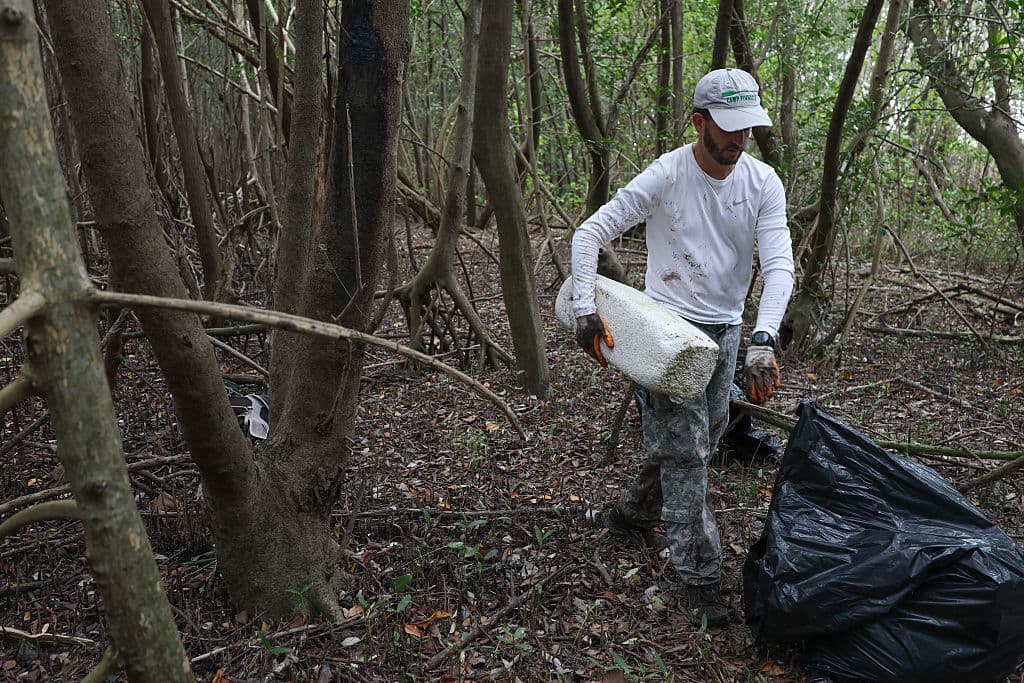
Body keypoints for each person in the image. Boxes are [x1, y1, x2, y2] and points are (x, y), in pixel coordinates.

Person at [570, 68, 794, 627]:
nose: (738, 142)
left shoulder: (763, 183)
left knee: (705, 434)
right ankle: (701, 580)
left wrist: (762, 338)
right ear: (699, 122)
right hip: (663, 332)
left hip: (725, 333)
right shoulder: (668, 174)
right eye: (728, 130)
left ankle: (632, 514)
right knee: (689, 452)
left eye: (747, 130)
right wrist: (582, 308)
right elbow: (589, 234)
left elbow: (780, 265)